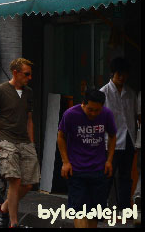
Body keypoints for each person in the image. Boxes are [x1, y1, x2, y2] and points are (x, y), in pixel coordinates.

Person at [0, 58, 39, 228]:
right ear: (15, 72)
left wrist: (31, 143)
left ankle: (2, 209)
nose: (29, 77)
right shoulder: (1, 90)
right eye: (26, 74)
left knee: (29, 183)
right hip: (6, 139)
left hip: (24, 141)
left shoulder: (29, 92)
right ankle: (13, 223)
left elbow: (29, 119)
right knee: (14, 180)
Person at [57, 89, 117, 229]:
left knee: (95, 212)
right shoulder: (71, 114)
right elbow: (61, 137)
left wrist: (109, 160)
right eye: (90, 109)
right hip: (76, 170)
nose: (93, 113)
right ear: (83, 104)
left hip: (98, 169)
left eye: (97, 110)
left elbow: (113, 136)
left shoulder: (106, 114)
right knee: (79, 210)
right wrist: (65, 162)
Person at [99, 57, 137, 209]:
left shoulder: (131, 93)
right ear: (112, 74)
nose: (121, 77)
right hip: (110, 141)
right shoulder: (104, 93)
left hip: (129, 139)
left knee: (126, 177)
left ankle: (124, 208)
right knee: (107, 175)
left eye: (124, 74)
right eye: (118, 74)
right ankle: (100, 208)